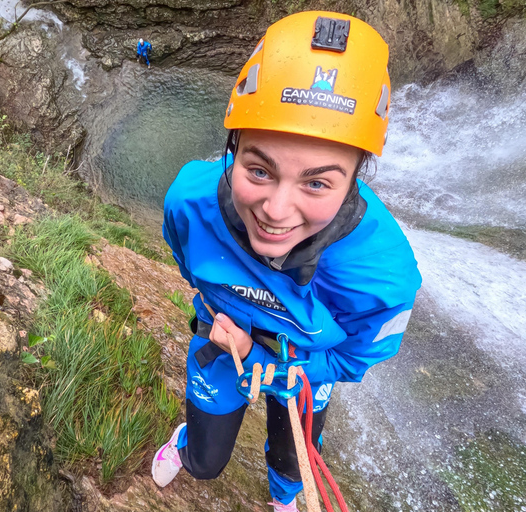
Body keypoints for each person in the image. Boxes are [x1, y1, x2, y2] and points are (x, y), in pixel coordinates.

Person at [153, 11, 421, 512]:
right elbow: (187, 261)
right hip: (220, 341)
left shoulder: (382, 276)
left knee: (293, 463)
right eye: (258, 169)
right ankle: (187, 443)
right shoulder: (189, 202)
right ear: (233, 147)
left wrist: (264, 362)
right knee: (206, 463)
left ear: (356, 177)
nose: (275, 212)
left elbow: (353, 358)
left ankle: (285, 499)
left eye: (317, 182)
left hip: (303, 372)